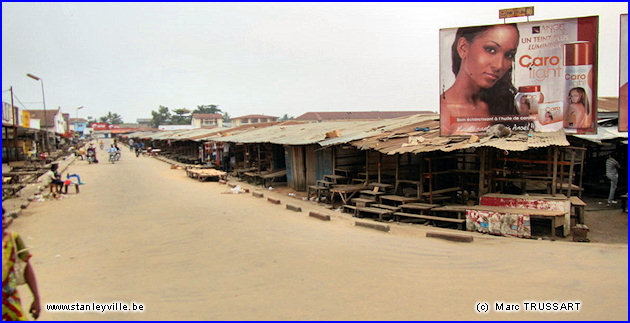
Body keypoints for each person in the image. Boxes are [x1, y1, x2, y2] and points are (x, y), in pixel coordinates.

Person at [441, 24, 520, 135]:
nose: (499, 66)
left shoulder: (504, 104)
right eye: (491, 50)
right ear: (463, 48)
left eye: (509, 55)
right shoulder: (444, 114)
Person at [2, 208, 41, 320]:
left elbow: (27, 268)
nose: (3, 222)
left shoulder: (13, 239)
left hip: (11, 304)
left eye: (3, 218)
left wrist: (36, 299)